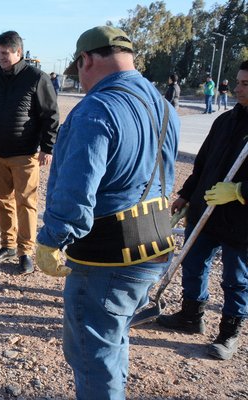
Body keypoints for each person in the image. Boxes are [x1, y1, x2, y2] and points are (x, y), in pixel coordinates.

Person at [35, 26, 179, 399]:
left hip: (106, 257)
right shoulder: (163, 105)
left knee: (92, 352)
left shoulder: (97, 109)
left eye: (78, 69)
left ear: (87, 60)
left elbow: (75, 189)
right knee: (113, 339)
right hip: (153, 243)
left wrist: (52, 239)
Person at [155, 60, 248, 361]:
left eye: (244, 84)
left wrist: (238, 191)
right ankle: (191, 315)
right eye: (238, 81)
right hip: (206, 207)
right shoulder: (226, 120)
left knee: (236, 279)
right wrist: (186, 194)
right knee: (193, 262)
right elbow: (204, 163)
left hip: (241, 219)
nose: (236, 87)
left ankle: (229, 333)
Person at [0, 30, 59, 273]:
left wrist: (47, 147)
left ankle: (25, 251)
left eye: (5, 53)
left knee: (26, 203)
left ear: (18, 52)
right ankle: (8, 245)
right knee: (3, 202)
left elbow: (50, 116)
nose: (0, 57)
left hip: (25, 153)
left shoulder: (37, 78)